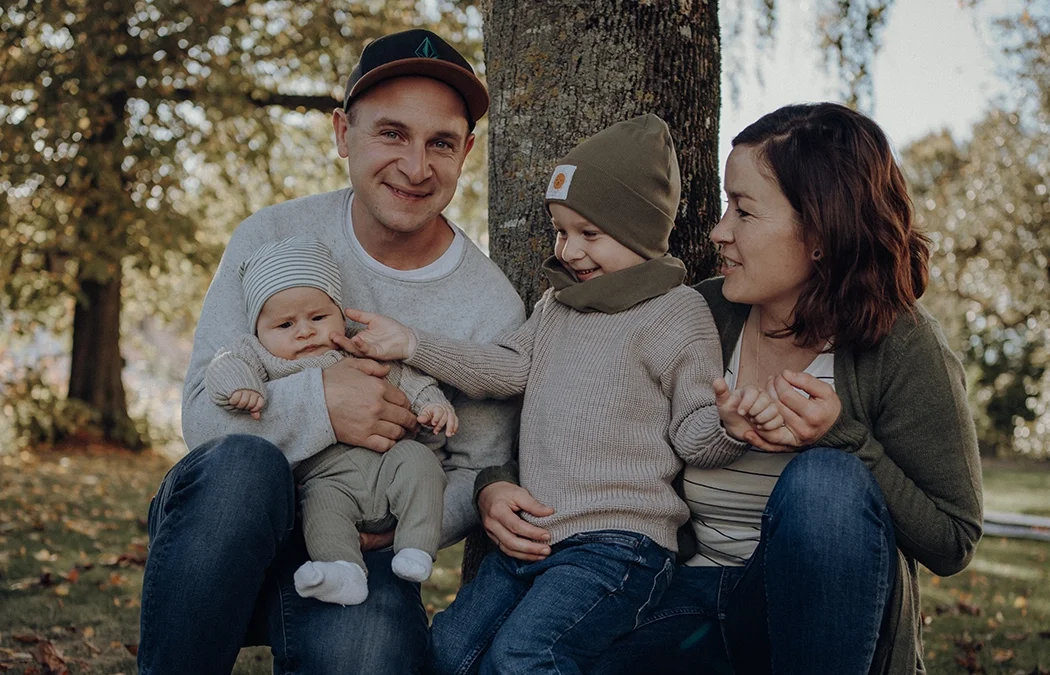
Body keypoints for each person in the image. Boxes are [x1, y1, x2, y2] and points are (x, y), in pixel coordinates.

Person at [476, 103, 983, 675]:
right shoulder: (694, 312)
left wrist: (841, 438)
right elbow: (579, 404)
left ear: (819, 230)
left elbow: (953, 539)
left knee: (826, 482)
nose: (718, 231)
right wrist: (496, 484)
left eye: (743, 211)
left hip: (813, 630)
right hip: (684, 605)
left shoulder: (902, 345)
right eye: (725, 206)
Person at [138, 29, 526, 675]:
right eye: (392, 133)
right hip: (224, 531)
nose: (416, 165)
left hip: (359, 547)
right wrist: (323, 401)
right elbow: (205, 422)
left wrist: (399, 524)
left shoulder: (489, 307)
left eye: (441, 143)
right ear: (344, 133)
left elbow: (476, 466)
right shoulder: (271, 237)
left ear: (467, 152)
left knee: (372, 656)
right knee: (241, 467)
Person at [347, 114, 763, 675]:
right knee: (448, 649)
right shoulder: (557, 307)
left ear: (641, 231)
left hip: (619, 545)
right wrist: (411, 344)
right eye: (561, 231)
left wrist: (728, 427)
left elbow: (693, 431)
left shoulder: (676, 312)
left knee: (529, 656)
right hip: (533, 537)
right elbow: (506, 369)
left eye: (590, 234)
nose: (569, 251)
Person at [204, 236, 457, 606]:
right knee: (320, 510)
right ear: (259, 330)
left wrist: (434, 405)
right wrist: (240, 386)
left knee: (422, 465)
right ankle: (342, 571)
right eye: (285, 325)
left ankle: (416, 549)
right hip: (326, 478)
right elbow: (224, 363)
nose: (304, 331)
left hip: (389, 462)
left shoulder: (359, 346)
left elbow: (409, 380)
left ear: (340, 314)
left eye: (318, 318)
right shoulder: (260, 356)